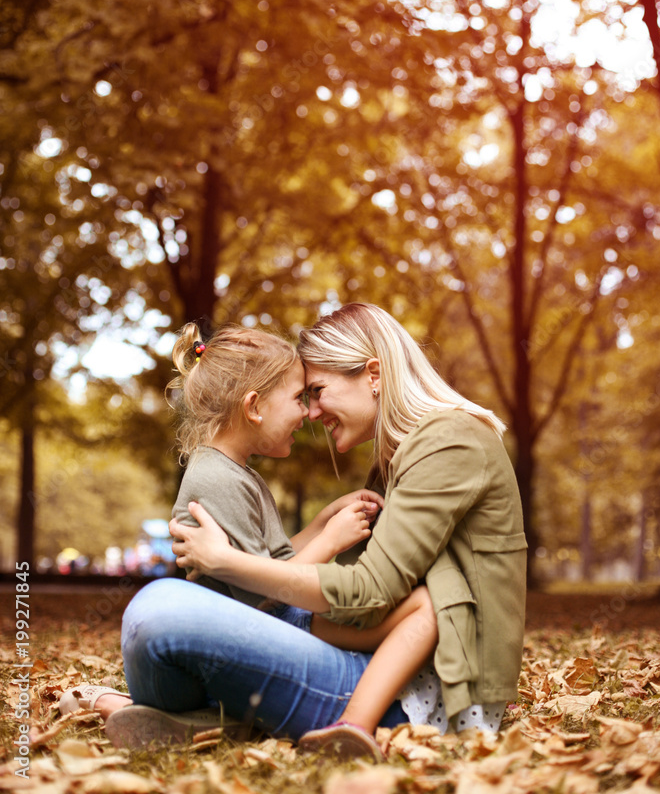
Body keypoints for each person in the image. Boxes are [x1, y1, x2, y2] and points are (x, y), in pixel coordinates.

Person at [60, 319, 438, 759]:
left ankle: (177, 719)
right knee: (403, 613)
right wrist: (330, 542)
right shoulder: (215, 479)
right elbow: (263, 598)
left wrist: (322, 522)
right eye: (299, 399)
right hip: (256, 629)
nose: (307, 413)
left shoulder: (239, 474)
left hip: (258, 627)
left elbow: (271, 562)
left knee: (408, 613)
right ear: (254, 407)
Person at [168, 304, 527, 750]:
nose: (312, 413)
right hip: (391, 660)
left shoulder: (447, 440)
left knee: (166, 610)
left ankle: (341, 724)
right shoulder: (401, 456)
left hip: (436, 687)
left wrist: (226, 561)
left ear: (373, 374)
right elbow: (352, 595)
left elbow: (368, 591)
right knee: (178, 616)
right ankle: (189, 717)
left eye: (317, 391)